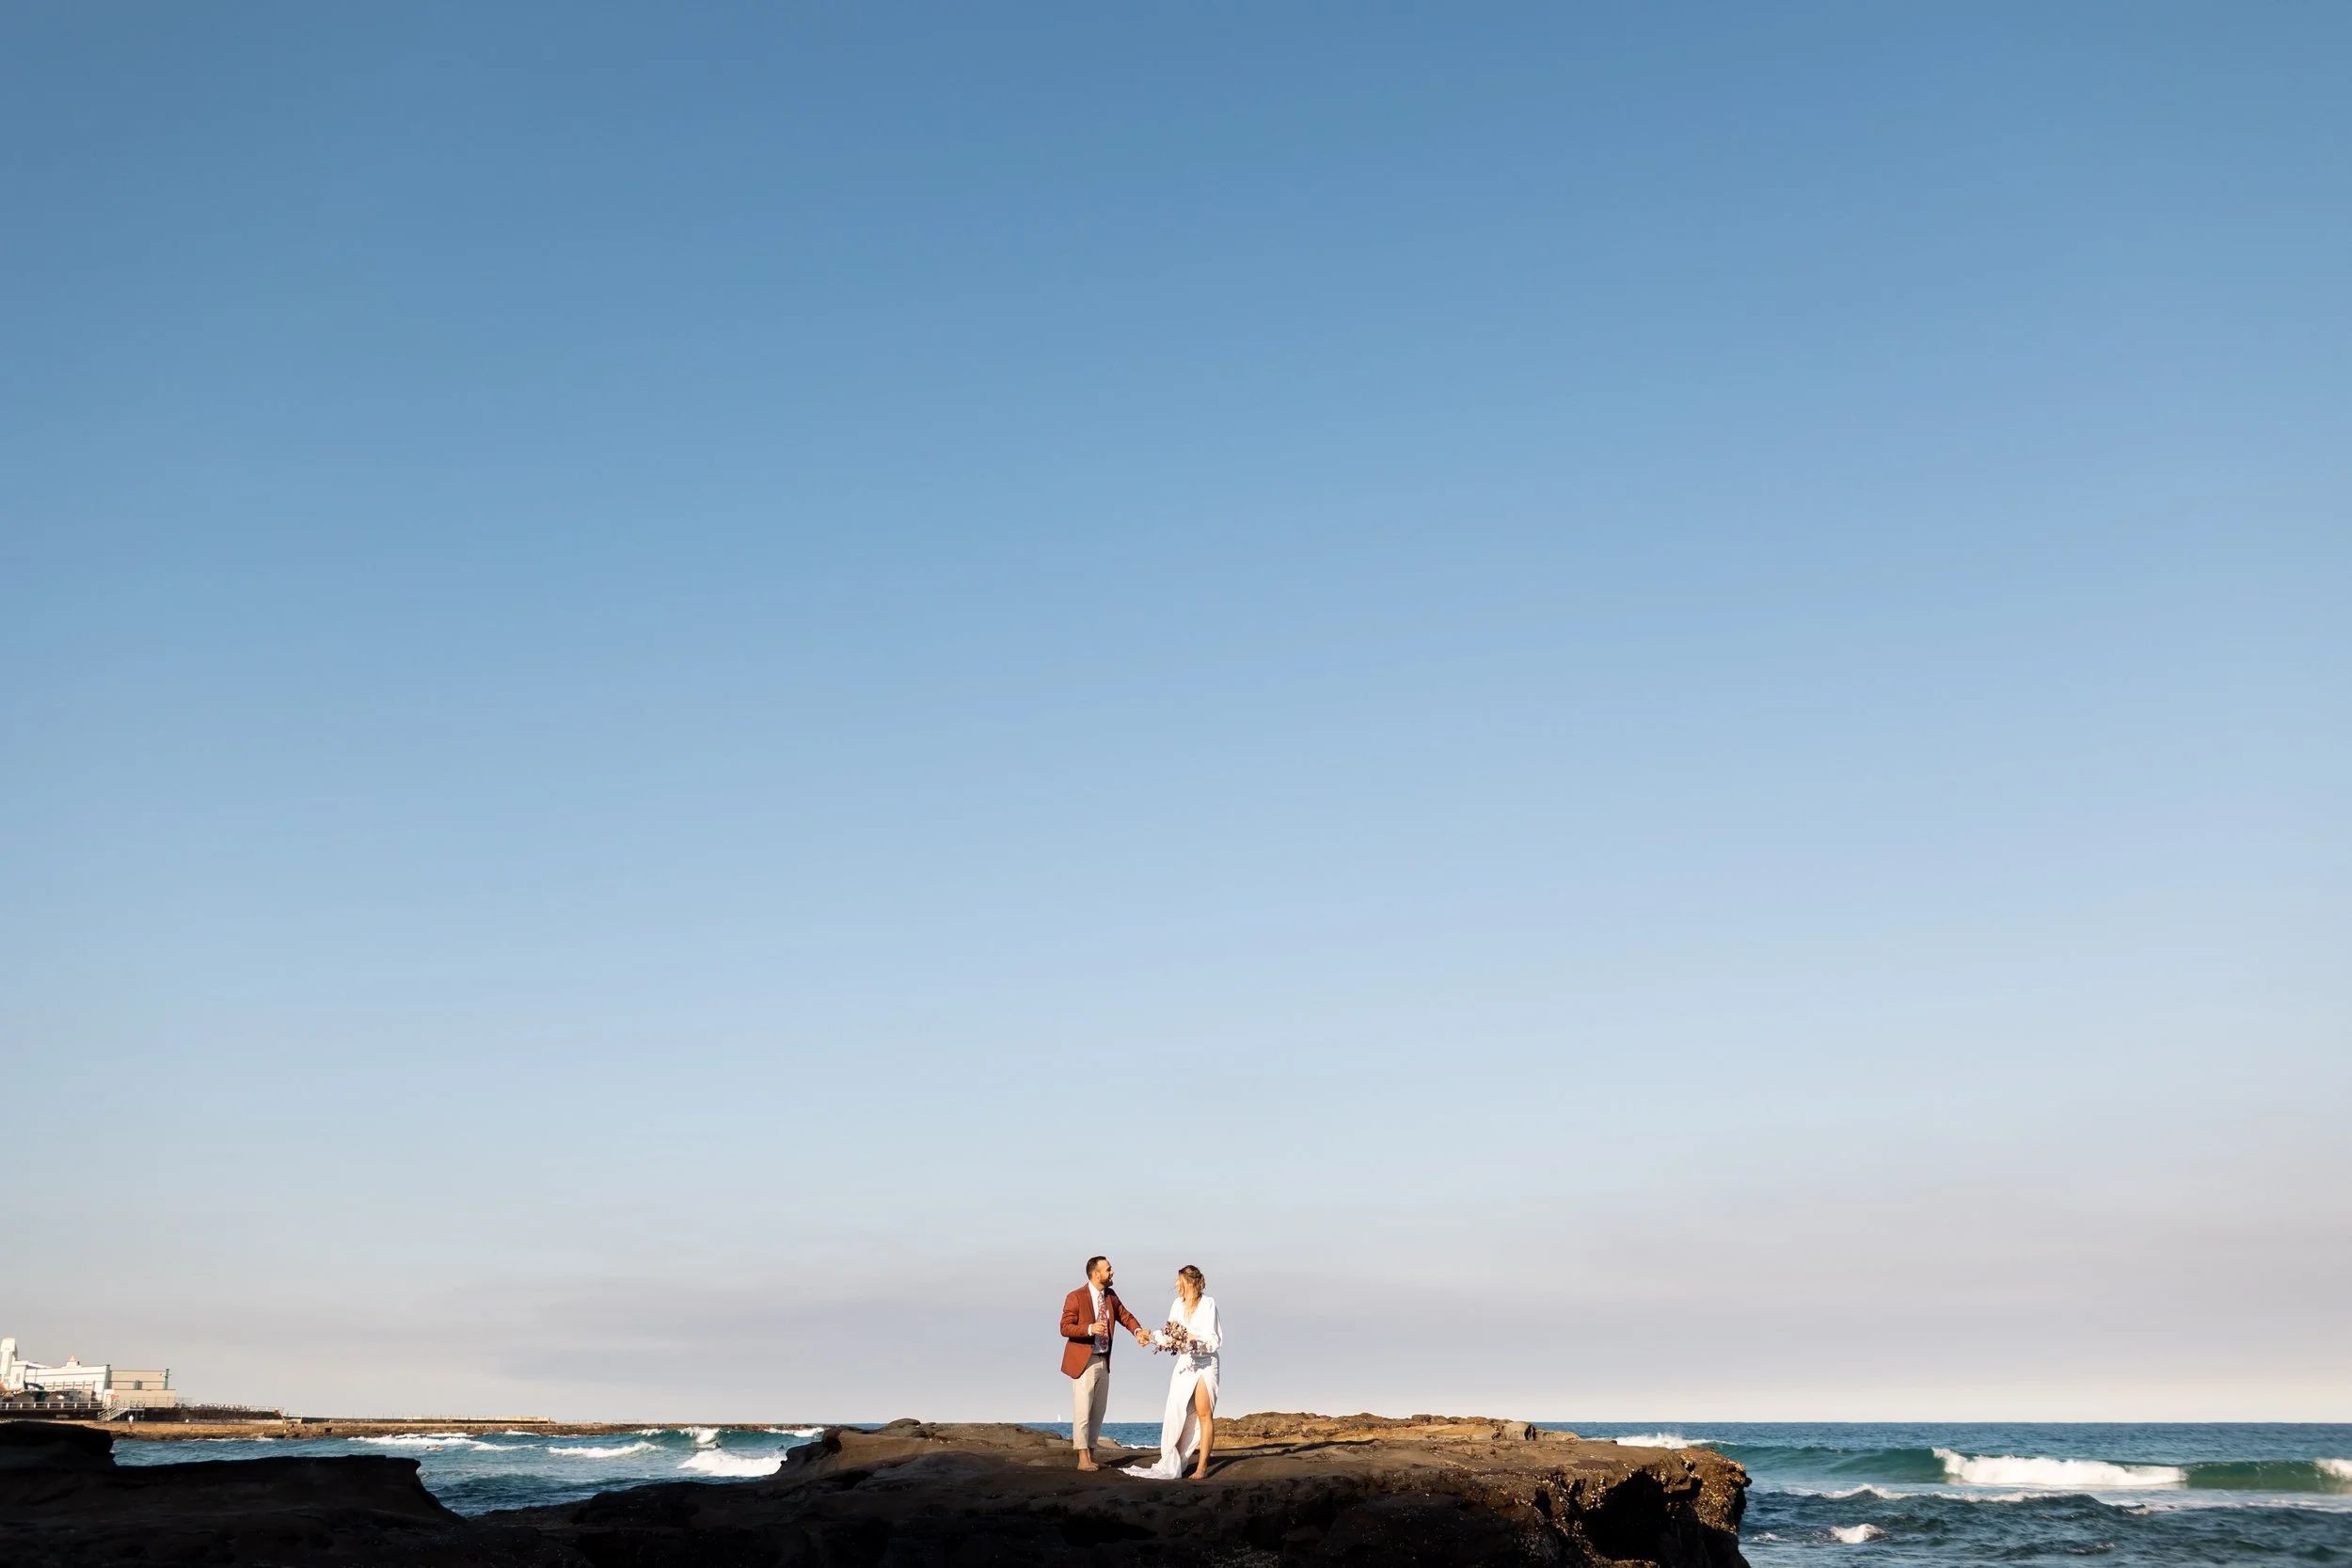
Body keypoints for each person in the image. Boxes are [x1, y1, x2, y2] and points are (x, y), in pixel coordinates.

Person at [1126, 1264, 1221, 1481]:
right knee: (1176, 1411)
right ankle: (1175, 1459)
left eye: (1179, 1281)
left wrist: (1194, 1342)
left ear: (1190, 1283)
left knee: (1204, 1414)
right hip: (1185, 1363)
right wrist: (1150, 1337)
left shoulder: (1208, 1304)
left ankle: (1203, 1467)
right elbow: (1170, 1336)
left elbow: (1214, 1340)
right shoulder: (1177, 1305)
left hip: (1206, 1363)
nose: (1176, 1285)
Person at [1059, 1255, 1151, 1472]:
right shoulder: (1075, 1296)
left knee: (1098, 1410)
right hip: (1084, 1362)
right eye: (1108, 1269)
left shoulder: (1110, 1296)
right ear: (1095, 1274)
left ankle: (1090, 1454)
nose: (1112, 1273)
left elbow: (1125, 1316)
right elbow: (1065, 1327)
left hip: (1104, 1359)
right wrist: (1090, 1328)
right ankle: (1082, 1459)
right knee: (1083, 1411)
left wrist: (1138, 1332)